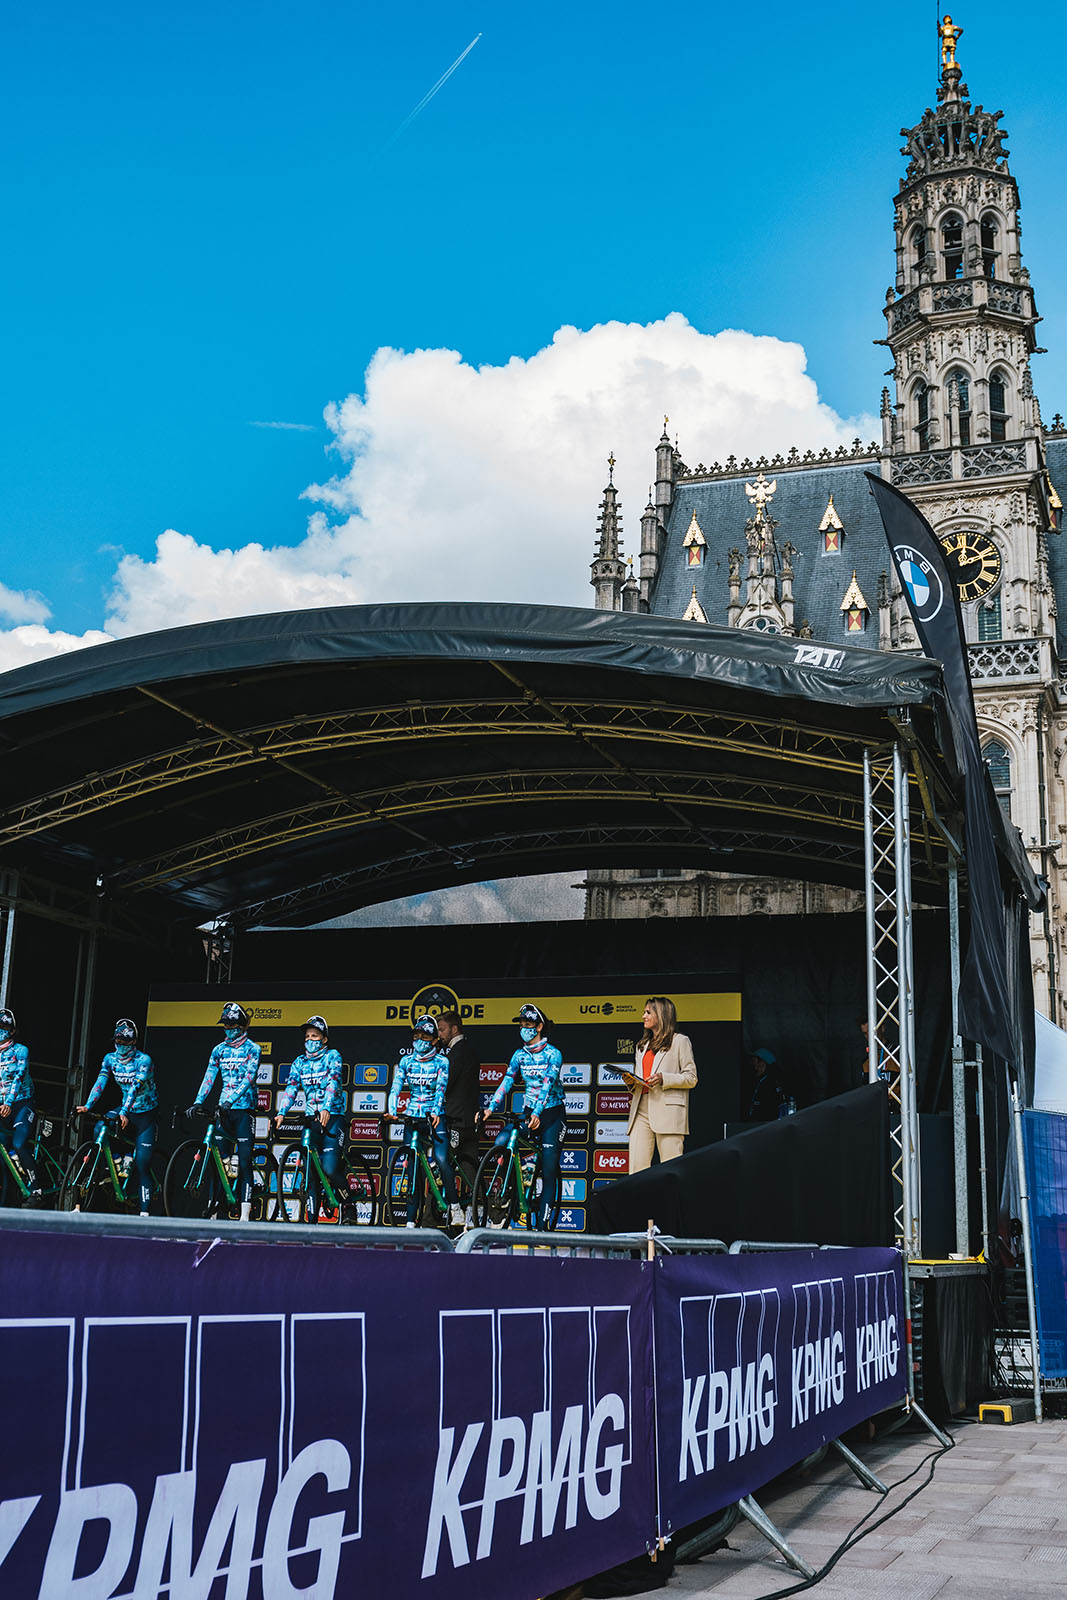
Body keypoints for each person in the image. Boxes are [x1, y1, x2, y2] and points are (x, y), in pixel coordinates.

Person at [479, 1004, 565, 1227]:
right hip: (530, 1112)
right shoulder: (519, 1055)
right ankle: (512, 1189)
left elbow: (547, 1085)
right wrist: (490, 1108)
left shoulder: (553, 1054)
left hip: (552, 1115)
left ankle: (543, 1228)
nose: (523, 1029)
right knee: (502, 1140)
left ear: (539, 1027)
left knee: (548, 1171)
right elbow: (507, 1081)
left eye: (528, 1025)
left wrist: (537, 1112)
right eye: (521, 1025)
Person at [387, 1014, 463, 1228]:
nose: (419, 1039)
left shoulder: (442, 1061)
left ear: (434, 1040)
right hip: (412, 1117)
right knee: (411, 1169)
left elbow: (441, 1089)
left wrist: (437, 1111)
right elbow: (395, 1087)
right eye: (416, 1035)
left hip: (434, 1117)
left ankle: (455, 1207)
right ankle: (410, 1223)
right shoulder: (406, 1061)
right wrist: (392, 1111)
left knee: (440, 1159)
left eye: (425, 1036)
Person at [76, 1018, 158, 1216]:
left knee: (143, 1163)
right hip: (126, 1109)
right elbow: (100, 1082)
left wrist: (124, 1111)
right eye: (117, 1042)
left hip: (145, 1113)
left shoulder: (143, 1060)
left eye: (124, 1043)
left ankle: (145, 1213)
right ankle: (114, 1162)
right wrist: (88, 1105)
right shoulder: (109, 1059)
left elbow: (135, 1088)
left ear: (133, 1043)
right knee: (99, 1128)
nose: (120, 1047)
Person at [188, 1002, 261, 1222]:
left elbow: (249, 1078)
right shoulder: (218, 1050)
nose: (228, 1029)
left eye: (231, 1025)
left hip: (244, 1109)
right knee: (220, 1161)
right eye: (225, 1025)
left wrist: (231, 1099)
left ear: (241, 1025)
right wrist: (198, 1101)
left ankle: (245, 1215)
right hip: (224, 1109)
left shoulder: (253, 1048)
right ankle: (213, 1211)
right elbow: (209, 1077)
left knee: (245, 1161)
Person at [272, 1014, 346, 1219]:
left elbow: (333, 1081)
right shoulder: (299, 1062)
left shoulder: (333, 1056)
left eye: (314, 1036)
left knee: (329, 1169)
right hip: (311, 1119)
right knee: (310, 1173)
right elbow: (291, 1089)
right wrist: (281, 1113)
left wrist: (326, 1108)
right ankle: (310, 1224)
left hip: (333, 1117)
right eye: (307, 1036)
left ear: (324, 1039)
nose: (310, 1040)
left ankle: (348, 1204)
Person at [627, 997, 698, 1173]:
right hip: (640, 1110)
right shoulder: (641, 1046)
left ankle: (671, 1201)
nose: (643, 1016)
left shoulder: (680, 1041)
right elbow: (641, 1080)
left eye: (648, 1012)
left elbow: (691, 1078)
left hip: (668, 1112)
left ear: (662, 1015)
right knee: (636, 1170)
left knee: (671, 1169)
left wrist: (663, 1078)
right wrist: (631, 1082)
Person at [436, 1010, 481, 1205]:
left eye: (442, 1029)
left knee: (442, 1167)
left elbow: (444, 1083)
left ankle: (430, 1221)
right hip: (470, 1123)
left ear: (454, 1029)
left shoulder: (458, 1051)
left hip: (456, 1122)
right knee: (469, 1171)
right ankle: (493, 1215)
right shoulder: (468, 1049)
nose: (439, 1034)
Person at [0, 1009, 37, 1196]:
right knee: (3, 1159)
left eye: (4, 1027)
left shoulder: (21, 1050)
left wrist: (8, 1102)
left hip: (21, 1104)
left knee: (19, 1144)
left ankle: (36, 1186)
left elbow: (19, 1077)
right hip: (2, 1108)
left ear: (12, 1031)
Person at [747, 1047, 784, 1121]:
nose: (756, 1068)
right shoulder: (758, 1081)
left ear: (765, 1063)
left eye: (758, 1064)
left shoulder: (773, 1083)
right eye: (754, 1065)